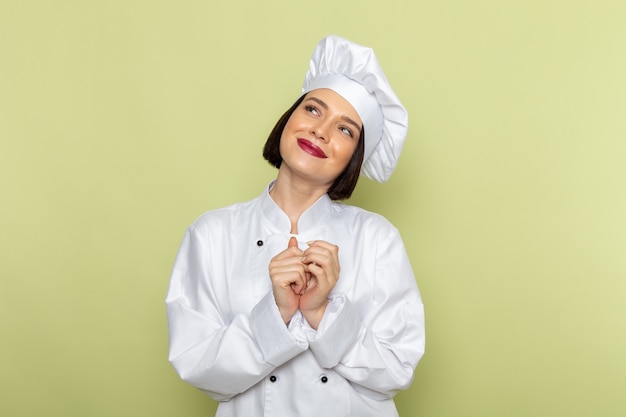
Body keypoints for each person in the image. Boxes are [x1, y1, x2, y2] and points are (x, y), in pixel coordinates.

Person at [166, 35, 425, 417]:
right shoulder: (212, 234)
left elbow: (397, 369)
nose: (320, 132)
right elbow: (197, 364)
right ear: (290, 118)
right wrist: (277, 314)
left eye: (345, 130)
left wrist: (322, 313)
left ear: (355, 157)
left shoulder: (376, 239)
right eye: (314, 110)